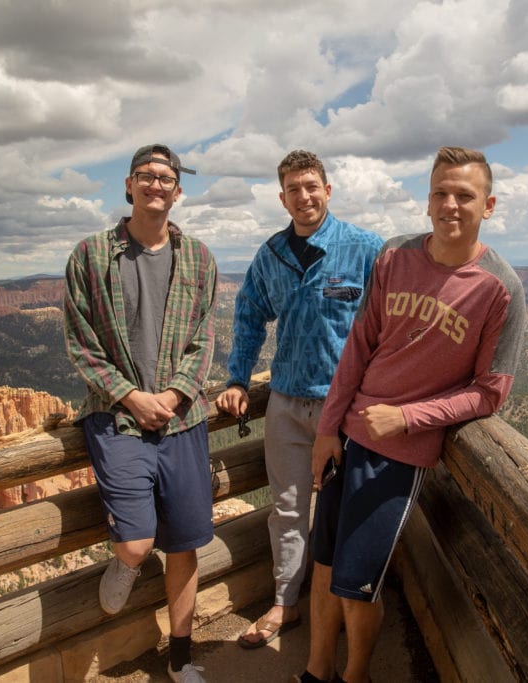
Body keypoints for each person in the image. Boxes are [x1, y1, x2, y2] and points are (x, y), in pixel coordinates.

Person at [294, 146, 527, 683]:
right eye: (440, 193)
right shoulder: (395, 257)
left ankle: (354, 677)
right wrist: (328, 429)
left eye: (464, 195)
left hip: (397, 457)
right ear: (427, 201)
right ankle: (315, 673)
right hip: (346, 440)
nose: (450, 204)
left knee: (357, 585)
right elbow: (360, 343)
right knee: (325, 569)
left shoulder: (500, 288)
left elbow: (491, 393)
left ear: (487, 206)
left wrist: (408, 418)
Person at [216, 150, 384, 649]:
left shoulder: (364, 248)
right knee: (288, 511)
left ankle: (346, 604)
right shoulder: (272, 256)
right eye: (293, 188)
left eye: (312, 186)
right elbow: (248, 316)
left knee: (346, 513)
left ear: (327, 191)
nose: (304, 196)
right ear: (282, 197)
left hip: (348, 408)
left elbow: (390, 326)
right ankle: (287, 603)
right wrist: (237, 380)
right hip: (287, 404)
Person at [63, 144, 217, 683]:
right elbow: (82, 344)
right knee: (136, 540)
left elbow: (203, 339)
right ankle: (126, 560)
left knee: (184, 544)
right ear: (128, 186)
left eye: (166, 178)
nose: (156, 185)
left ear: (178, 191)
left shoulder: (198, 257)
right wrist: (132, 395)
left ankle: (181, 653)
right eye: (146, 176)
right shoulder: (90, 254)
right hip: (117, 416)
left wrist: (174, 396)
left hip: (184, 420)